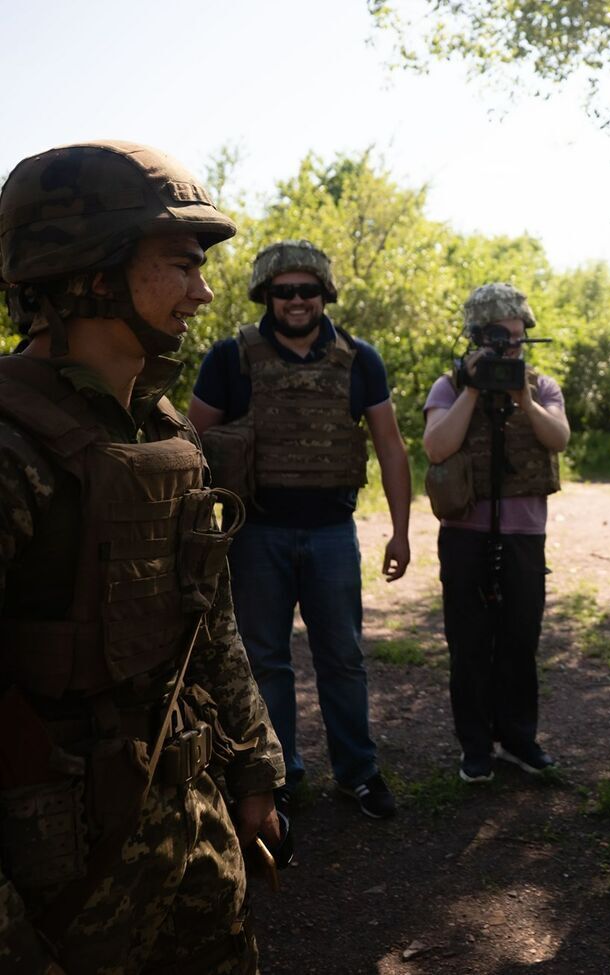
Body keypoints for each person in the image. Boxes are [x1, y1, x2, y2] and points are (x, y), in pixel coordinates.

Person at [0, 140, 284, 973]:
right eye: (180, 264)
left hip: (188, 819)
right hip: (61, 866)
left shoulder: (167, 432)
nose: (203, 291)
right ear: (90, 271)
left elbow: (212, 621)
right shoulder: (13, 449)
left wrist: (254, 766)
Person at [188, 240, 410, 820]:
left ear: (323, 294)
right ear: (266, 294)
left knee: (344, 657)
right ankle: (277, 776)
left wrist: (401, 531)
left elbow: (390, 446)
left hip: (333, 532)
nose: (295, 300)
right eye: (283, 290)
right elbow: (188, 442)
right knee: (266, 661)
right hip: (256, 535)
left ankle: (358, 773)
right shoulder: (230, 357)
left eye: (307, 290)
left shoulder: (359, 359)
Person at [421, 283, 569, 784]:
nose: (510, 346)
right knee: (468, 642)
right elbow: (437, 448)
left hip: (524, 536)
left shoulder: (543, 387)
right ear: (475, 338)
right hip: (465, 533)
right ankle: (476, 746)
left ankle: (519, 738)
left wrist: (522, 397)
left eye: (516, 336)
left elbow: (559, 438)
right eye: (497, 338)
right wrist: (472, 390)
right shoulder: (449, 387)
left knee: (519, 639)